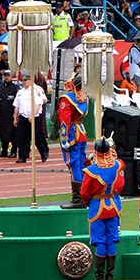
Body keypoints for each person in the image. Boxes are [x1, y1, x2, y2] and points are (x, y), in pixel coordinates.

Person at [80, 137, 124, 280]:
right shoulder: (117, 165)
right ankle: (110, 277)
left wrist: (90, 203)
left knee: (100, 241)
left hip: (97, 206)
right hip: (112, 205)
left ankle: (99, 277)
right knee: (111, 240)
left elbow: (84, 193)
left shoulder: (91, 170)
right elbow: (120, 183)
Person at [57, 75, 88, 210]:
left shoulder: (67, 98)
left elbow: (65, 120)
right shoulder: (84, 96)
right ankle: (83, 195)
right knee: (81, 164)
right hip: (81, 131)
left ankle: (77, 198)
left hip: (72, 134)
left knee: (73, 165)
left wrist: (64, 138)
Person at [13, 72, 48, 163]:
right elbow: (16, 105)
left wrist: (32, 115)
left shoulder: (35, 90)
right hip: (23, 116)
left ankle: (43, 153)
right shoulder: (20, 92)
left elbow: (38, 104)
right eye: (22, 80)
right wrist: (15, 118)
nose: (24, 82)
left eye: (26, 80)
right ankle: (22, 156)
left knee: (36, 137)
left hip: (34, 117)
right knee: (22, 137)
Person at [0, 69, 19, 158]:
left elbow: (18, 102)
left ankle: (13, 151)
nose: (6, 77)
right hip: (2, 114)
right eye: (5, 75)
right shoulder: (0, 87)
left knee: (13, 133)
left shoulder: (15, 88)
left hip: (12, 114)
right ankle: (4, 151)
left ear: (11, 76)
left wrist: (16, 114)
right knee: (3, 132)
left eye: (8, 75)